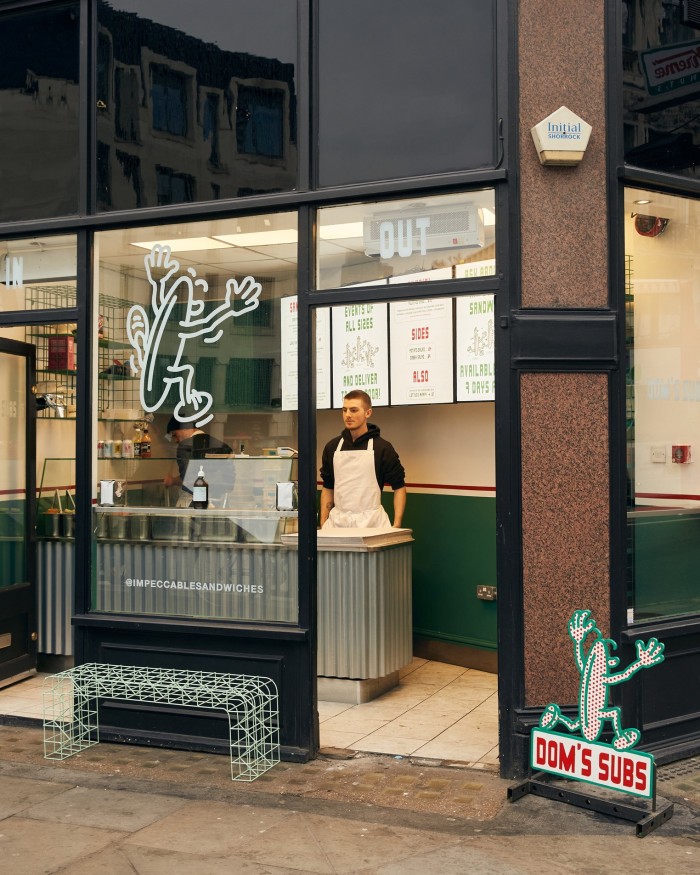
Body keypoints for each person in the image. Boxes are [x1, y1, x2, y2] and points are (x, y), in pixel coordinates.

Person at [319, 390, 406, 529]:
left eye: (353, 410)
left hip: (373, 524)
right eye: (344, 410)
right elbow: (328, 486)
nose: (348, 415)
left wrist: (397, 524)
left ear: (368, 413)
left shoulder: (382, 448)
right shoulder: (332, 447)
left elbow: (399, 486)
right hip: (337, 524)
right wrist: (323, 522)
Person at [163, 416, 233, 492]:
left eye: (175, 435)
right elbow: (229, 482)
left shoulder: (185, 447)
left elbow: (188, 482)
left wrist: (173, 481)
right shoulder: (223, 446)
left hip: (199, 500)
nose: (176, 440)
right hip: (221, 501)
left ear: (185, 428)